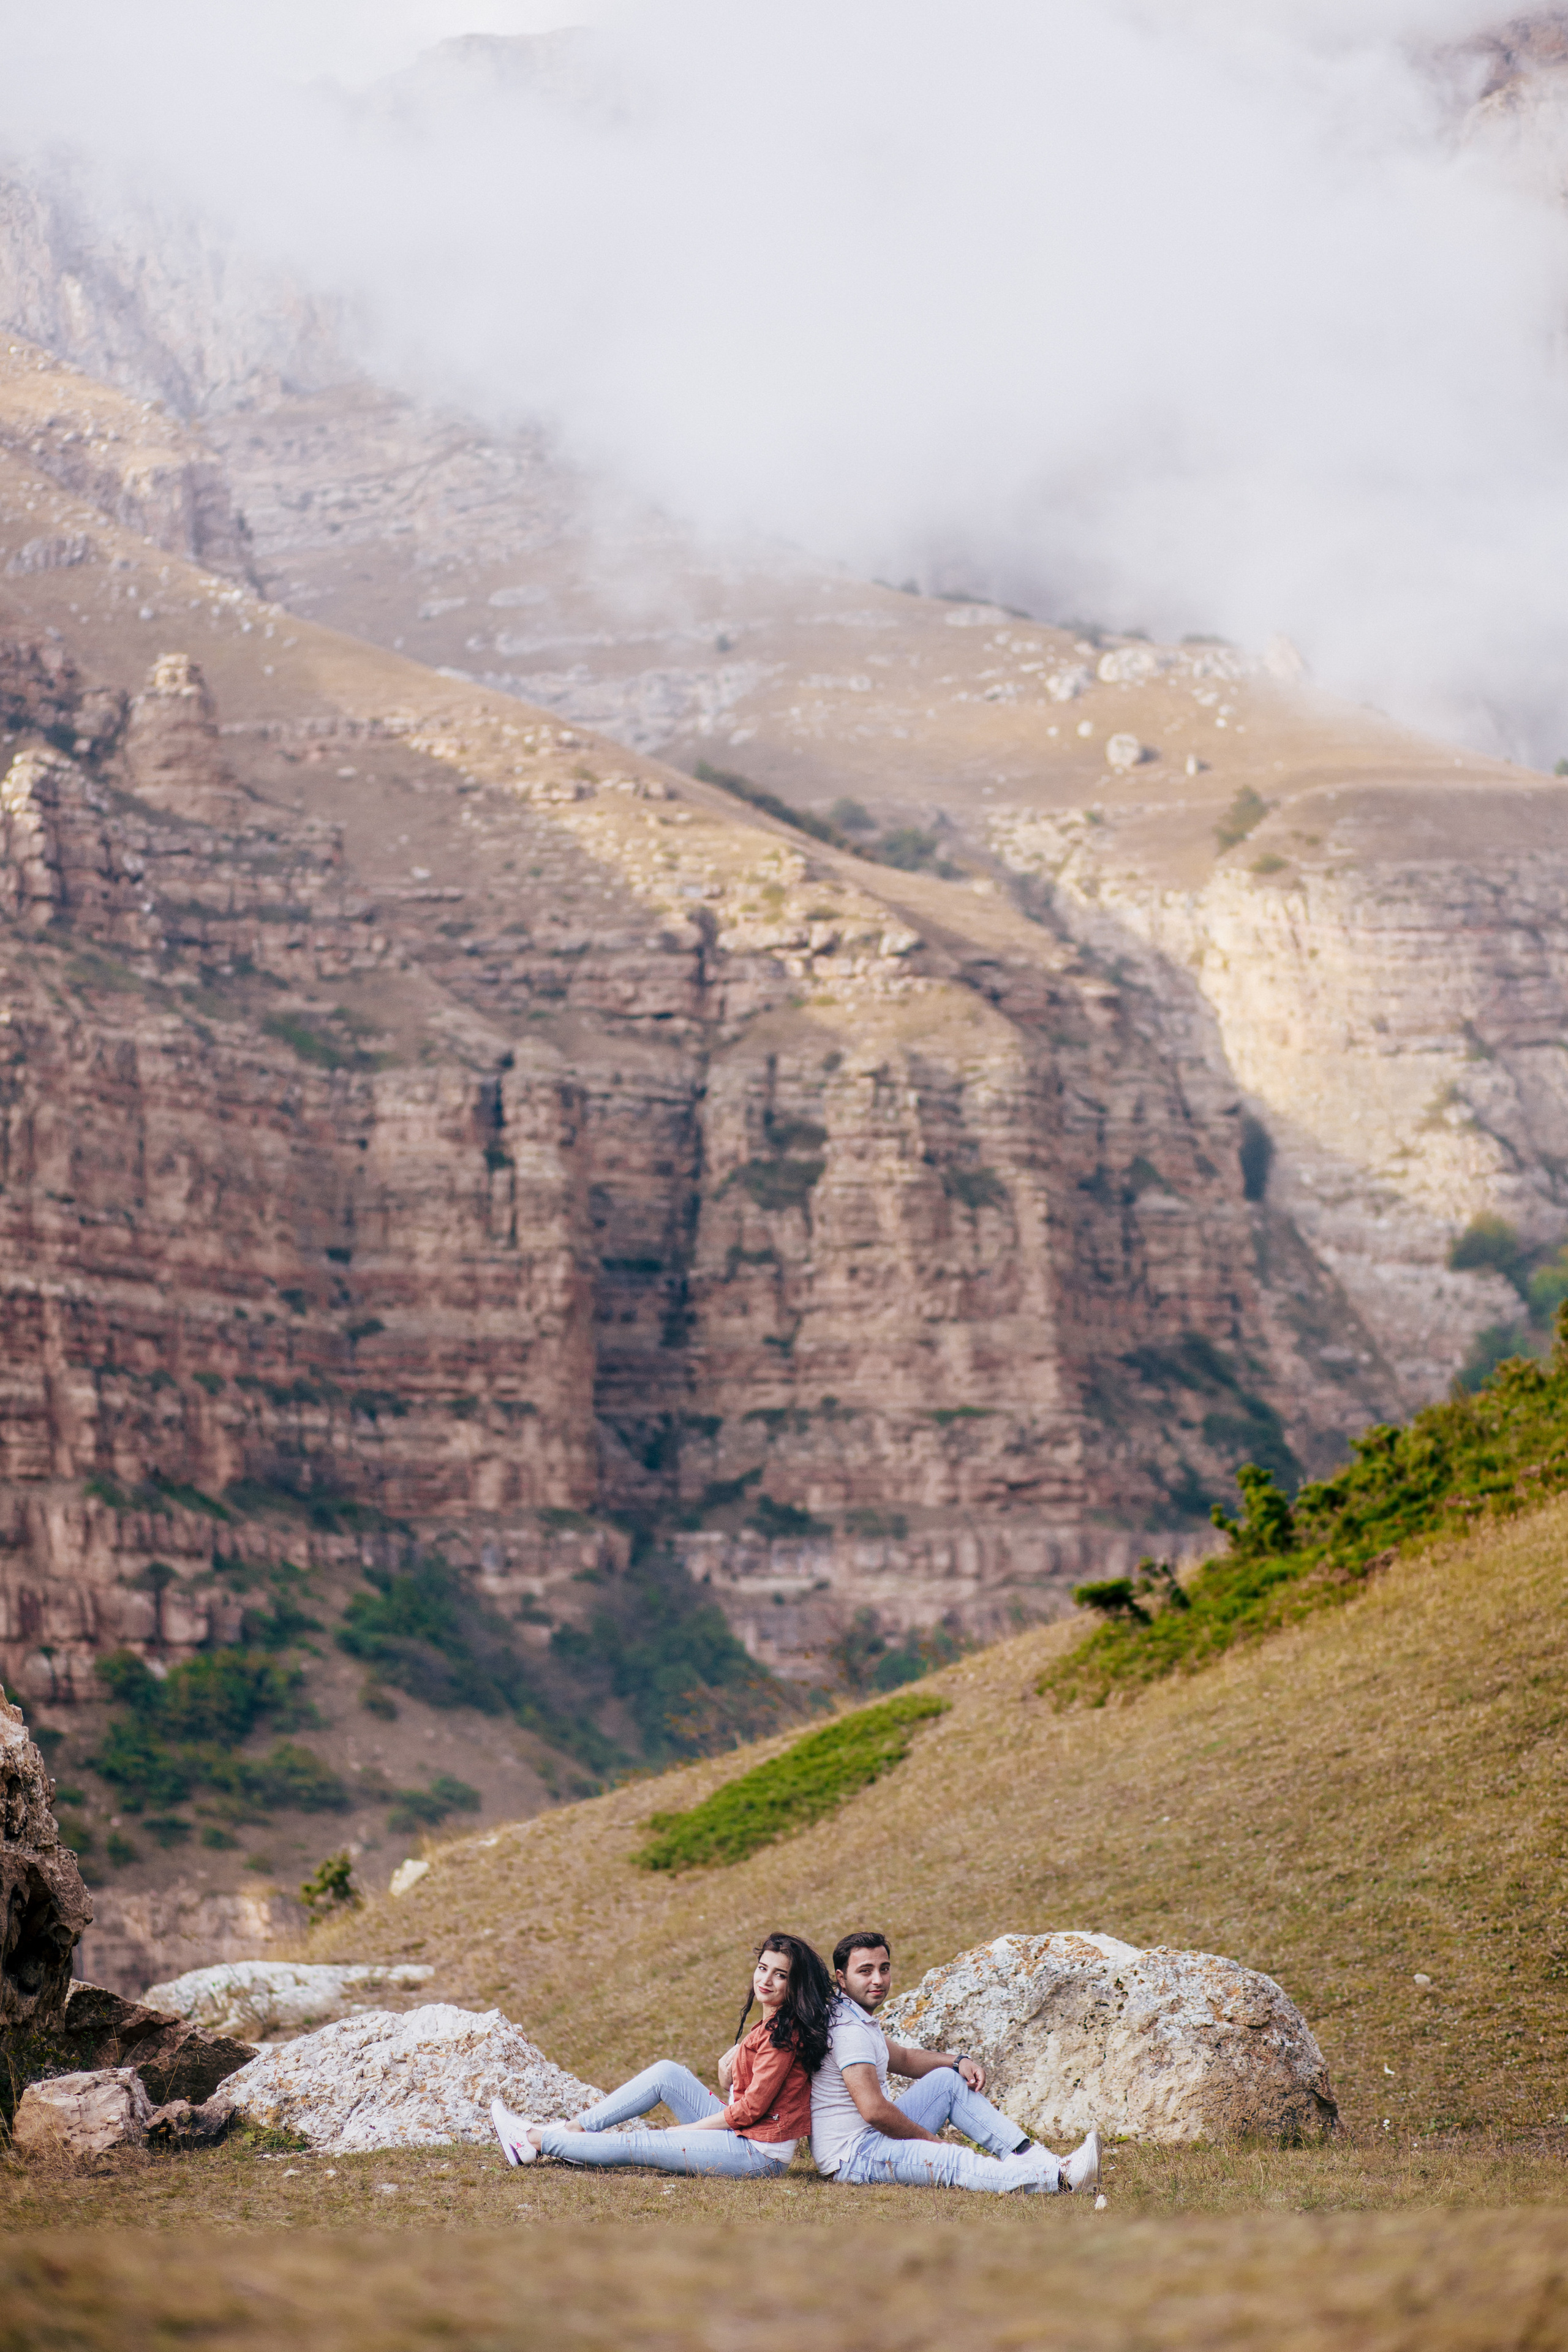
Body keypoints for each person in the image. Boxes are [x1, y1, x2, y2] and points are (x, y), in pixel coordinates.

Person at [490, 1929, 831, 2177]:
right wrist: (726, 2072)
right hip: (745, 2132)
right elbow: (745, 2095)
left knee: (644, 2143)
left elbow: (751, 2110)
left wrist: (689, 2130)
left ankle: (533, 2141)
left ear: (795, 1984)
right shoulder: (772, 2024)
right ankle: (575, 2130)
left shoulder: (782, 2036)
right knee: (667, 2073)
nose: (766, 1980)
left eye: (780, 1975)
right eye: (762, 1968)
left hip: (758, 2155)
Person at [810, 1929, 1101, 2195]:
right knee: (951, 2159)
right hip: (855, 2155)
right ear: (842, 1978)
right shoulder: (849, 2031)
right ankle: (1060, 2180)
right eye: (865, 1971)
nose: (878, 1980)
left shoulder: (855, 2017)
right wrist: (930, 2141)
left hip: (872, 2137)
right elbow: (874, 2111)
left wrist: (957, 2061)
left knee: (949, 2079)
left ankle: (1036, 2160)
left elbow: (904, 2059)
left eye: (884, 1969)